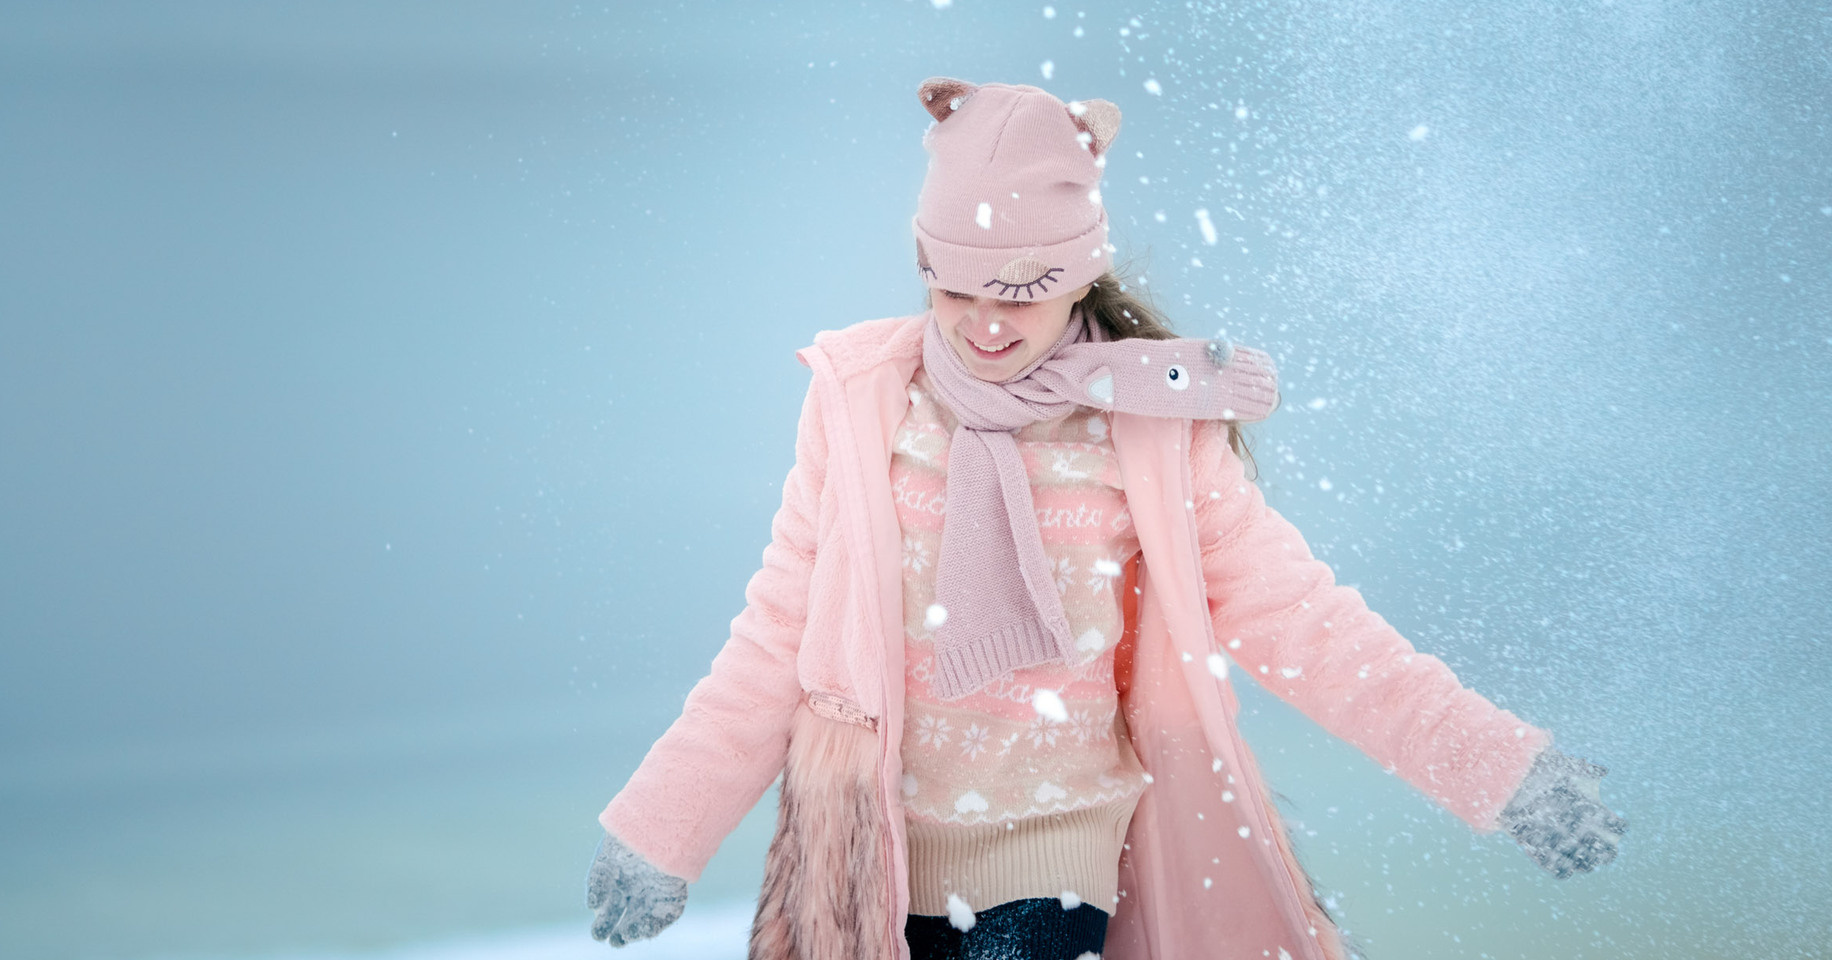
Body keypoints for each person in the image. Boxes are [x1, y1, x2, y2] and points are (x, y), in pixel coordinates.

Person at [585, 78, 1625, 960]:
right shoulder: (862, 401)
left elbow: (1303, 620)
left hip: (1055, 843)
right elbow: (777, 636)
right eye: (956, 291)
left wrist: (1497, 768)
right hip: (865, 846)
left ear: (1078, 272)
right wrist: (660, 829)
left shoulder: (1148, 427)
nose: (988, 325)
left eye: (1024, 291)